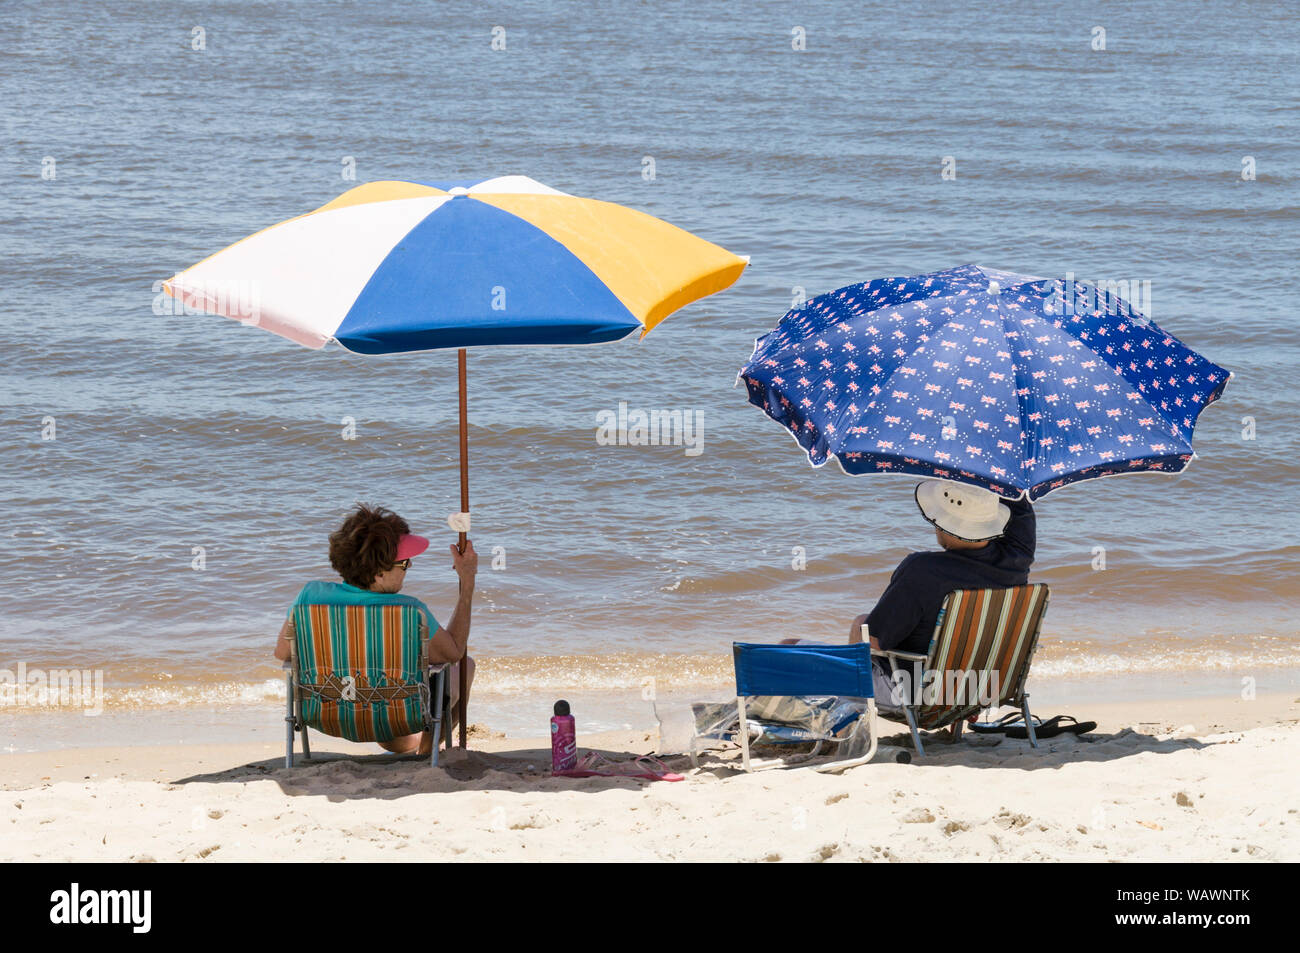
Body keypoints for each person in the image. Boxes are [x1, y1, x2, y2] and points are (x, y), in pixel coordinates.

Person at [274, 503, 477, 756]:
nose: (409, 567)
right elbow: (454, 652)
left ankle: (412, 744)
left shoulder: (309, 597)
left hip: (326, 716)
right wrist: (467, 582)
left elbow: (283, 653)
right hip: (397, 718)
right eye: (404, 564)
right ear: (379, 573)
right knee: (465, 666)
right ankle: (426, 753)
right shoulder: (411, 612)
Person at [852, 480, 1035, 709]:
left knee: (860, 626)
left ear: (943, 523)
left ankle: (854, 715)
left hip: (916, 693)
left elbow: (876, 640)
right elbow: (1021, 511)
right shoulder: (1017, 559)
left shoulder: (922, 569)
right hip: (984, 689)